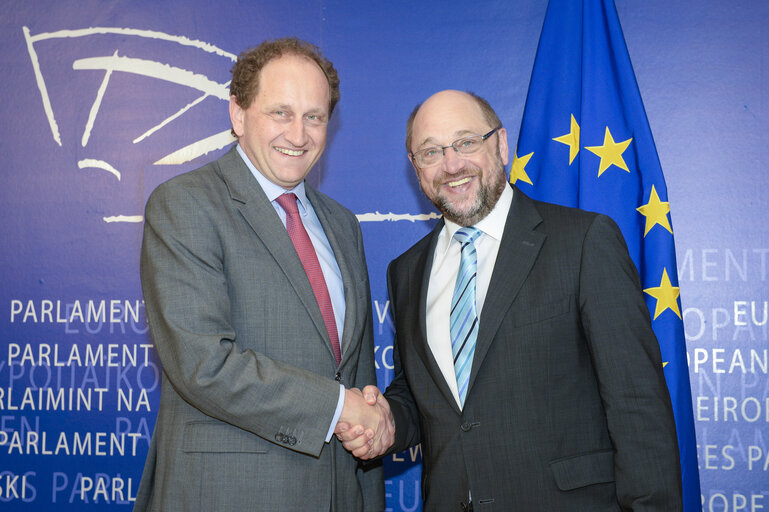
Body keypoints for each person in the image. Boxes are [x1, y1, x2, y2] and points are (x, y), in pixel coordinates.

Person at [337, 90, 682, 511]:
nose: (451, 164)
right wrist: (385, 420)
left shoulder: (583, 242)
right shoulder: (406, 271)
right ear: (415, 167)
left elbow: (637, 405)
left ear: (500, 144)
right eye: (430, 152)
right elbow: (426, 396)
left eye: (466, 142)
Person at [135, 37, 391, 512]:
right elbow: (203, 364)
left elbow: (354, 373)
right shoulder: (185, 205)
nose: (299, 134)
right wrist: (339, 407)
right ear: (238, 114)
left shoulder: (342, 223)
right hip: (228, 494)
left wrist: (370, 424)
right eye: (281, 112)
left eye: (314, 117)